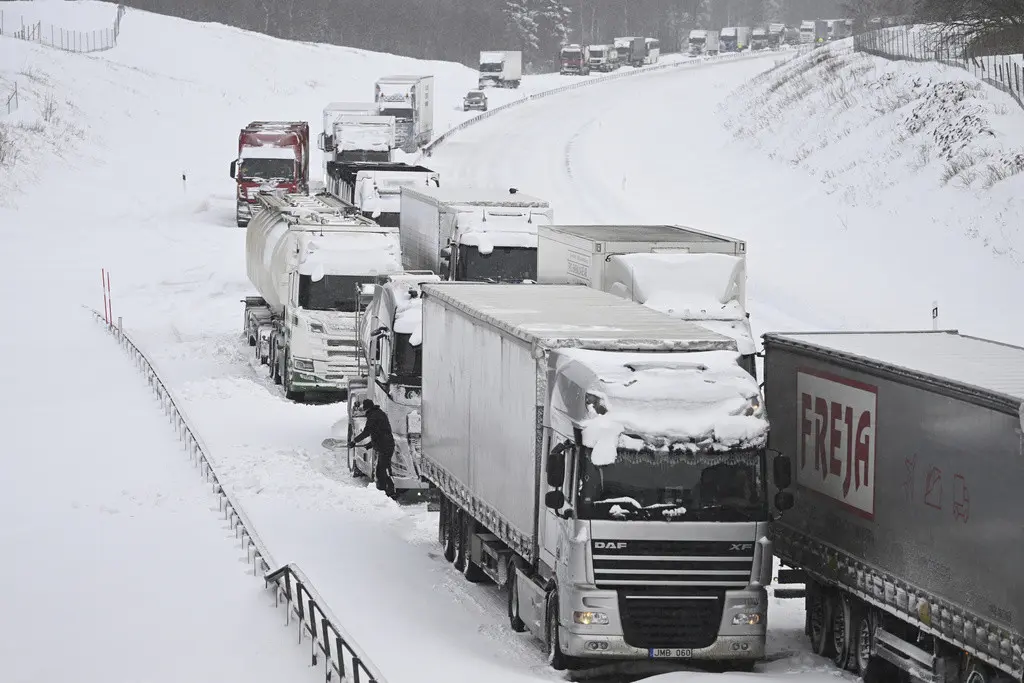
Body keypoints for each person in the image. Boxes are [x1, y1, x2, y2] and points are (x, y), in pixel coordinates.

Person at [349, 399, 396, 499]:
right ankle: (387, 491)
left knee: (381, 470)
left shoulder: (373, 416)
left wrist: (354, 441)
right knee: (383, 469)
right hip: (387, 444)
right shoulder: (379, 413)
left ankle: (385, 493)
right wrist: (370, 444)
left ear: (367, 408)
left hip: (385, 446)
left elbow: (367, 431)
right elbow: (379, 432)